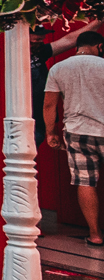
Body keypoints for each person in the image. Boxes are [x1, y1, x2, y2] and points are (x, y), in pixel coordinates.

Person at [44, 30, 104, 246]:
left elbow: (49, 104)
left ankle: (95, 234)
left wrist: (51, 132)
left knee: (85, 182)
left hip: (77, 131)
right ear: (99, 47)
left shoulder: (58, 68)